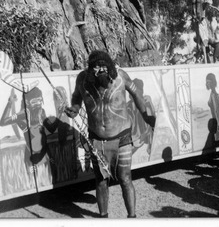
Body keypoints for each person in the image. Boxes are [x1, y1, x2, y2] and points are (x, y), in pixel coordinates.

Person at [65, 50, 156, 218]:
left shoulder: (121, 77)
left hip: (122, 136)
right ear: (90, 68)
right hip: (96, 140)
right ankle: (103, 218)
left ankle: (132, 218)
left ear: (110, 66)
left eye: (104, 66)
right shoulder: (83, 79)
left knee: (125, 178)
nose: (100, 70)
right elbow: (77, 97)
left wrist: (147, 117)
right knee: (100, 181)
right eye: (96, 67)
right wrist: (75, 109)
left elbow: (136, 94)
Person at [206, 73, 219, 147]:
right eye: (207, 82)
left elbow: (217, 110)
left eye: (209, 82)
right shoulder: (212, 93)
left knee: (217, 141)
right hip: (215, 120)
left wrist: (218, 122)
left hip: (216, 120)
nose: (208, 84)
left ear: (212, 82)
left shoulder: (214, 95)